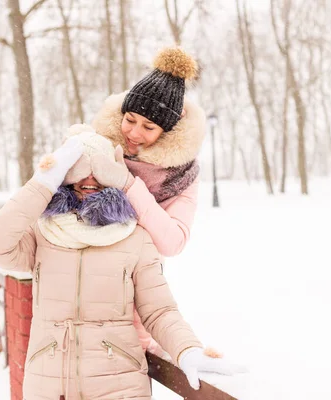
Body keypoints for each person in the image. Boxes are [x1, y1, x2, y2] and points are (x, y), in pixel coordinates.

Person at [0, 128, 237, 399]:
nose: (89, 178)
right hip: (49, 387)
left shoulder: (135, 237)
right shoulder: (41, 234)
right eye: (78, 168)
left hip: (120, 388)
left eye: (98, 169)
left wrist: (188, 349)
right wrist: (43, 182)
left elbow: (159, 311)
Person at [89, 47, 206, 359]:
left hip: (136, 302)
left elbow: (172, 241)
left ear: (167, 131)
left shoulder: (180, 176)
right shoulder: (95, 148)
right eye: (130, 119)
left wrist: (129, 185)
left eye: (149, 127)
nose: (134, 133)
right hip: (80, 297)